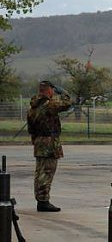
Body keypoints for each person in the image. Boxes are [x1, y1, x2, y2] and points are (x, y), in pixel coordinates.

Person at [27, 81, 73, 212]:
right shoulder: (49, 105)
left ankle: (40, 199)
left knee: (40, 173)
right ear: (49, 90)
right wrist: (63, 92)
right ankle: (43, 201)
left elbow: (31, 129)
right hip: (49, 143)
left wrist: (36, 141)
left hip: (39, 142)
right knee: (47, 173)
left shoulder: (32, 108)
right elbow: (68, 103)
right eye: (52, 90)